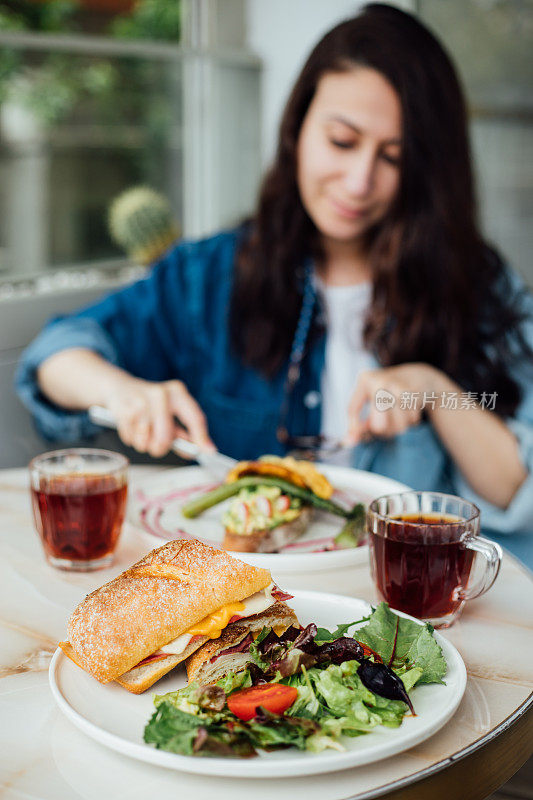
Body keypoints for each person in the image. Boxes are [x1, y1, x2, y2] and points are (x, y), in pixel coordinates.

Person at [16, 3, 533, 545]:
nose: (359, 182)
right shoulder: (210, 276)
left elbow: (517, 489)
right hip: (258, 608)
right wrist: (124, 393)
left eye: (394, 158)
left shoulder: (477, 285)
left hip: (409, 599)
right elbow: (53, 356)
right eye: (341, 141)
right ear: (297, 129)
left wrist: (433, 389)